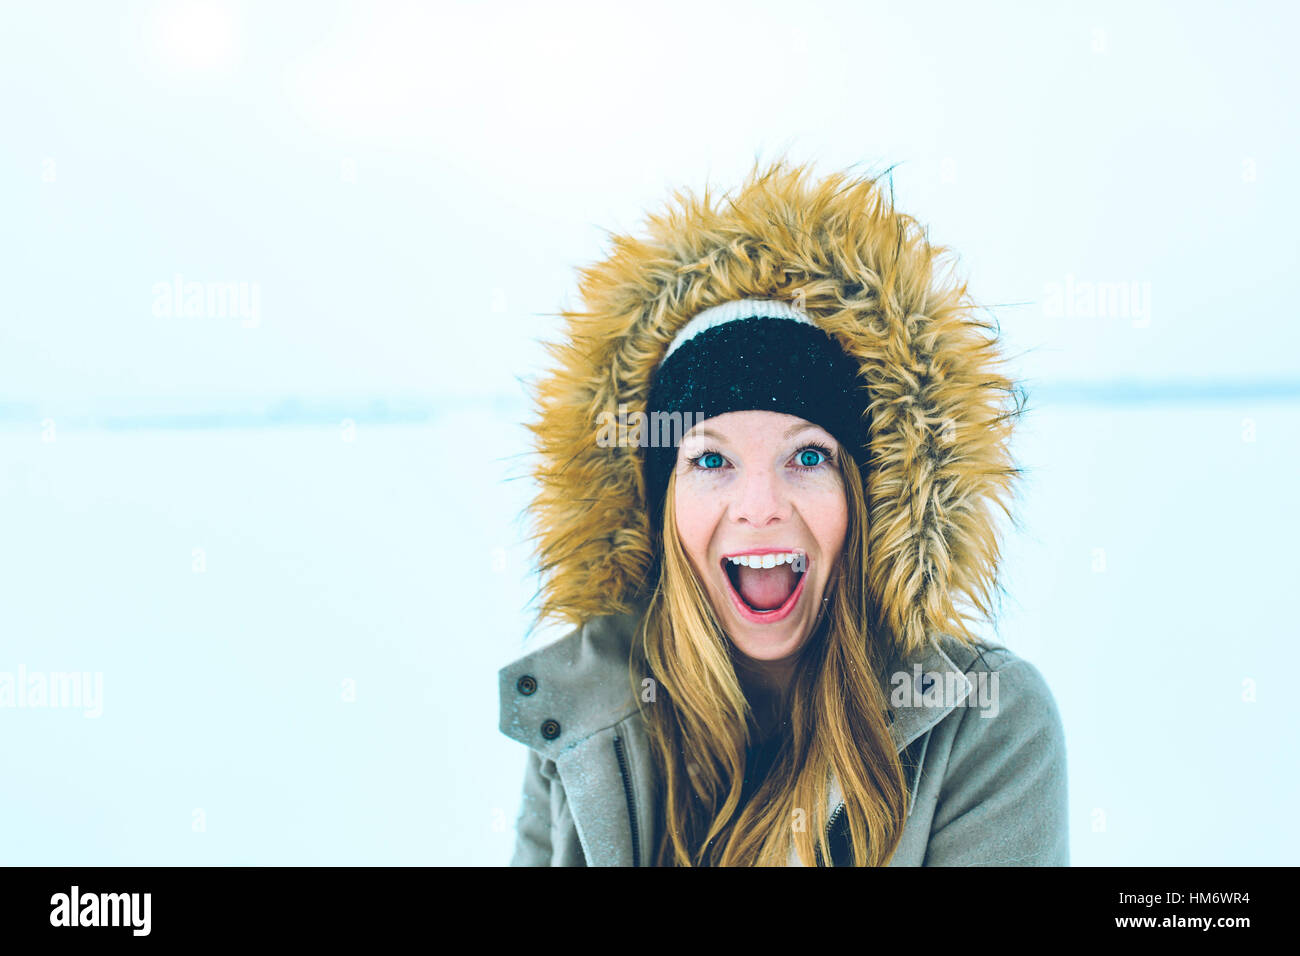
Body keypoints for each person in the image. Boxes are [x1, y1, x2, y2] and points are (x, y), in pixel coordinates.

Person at [498, 159, 1068, 866]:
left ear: (866, 498)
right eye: (710, 461)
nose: (761, 509)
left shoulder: (981, 723)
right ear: (660, 504)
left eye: (808, 457)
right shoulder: (583, 719)